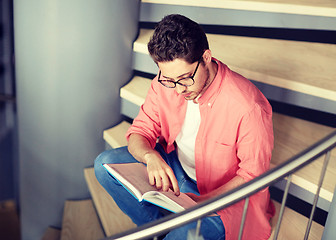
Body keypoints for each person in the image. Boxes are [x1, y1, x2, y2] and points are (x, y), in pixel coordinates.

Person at [94, 14, 275, 240]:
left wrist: (204, 201)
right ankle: (158, 228)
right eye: (169, 80)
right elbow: (140, 131)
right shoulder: (166, 83)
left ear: (206, 57)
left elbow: (252, 176)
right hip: (176, 171)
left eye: (185, 78)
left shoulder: (248, 107)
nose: (178, 90)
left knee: (185, 234)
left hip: (221, 199)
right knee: (104, 165)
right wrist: (150, 157)